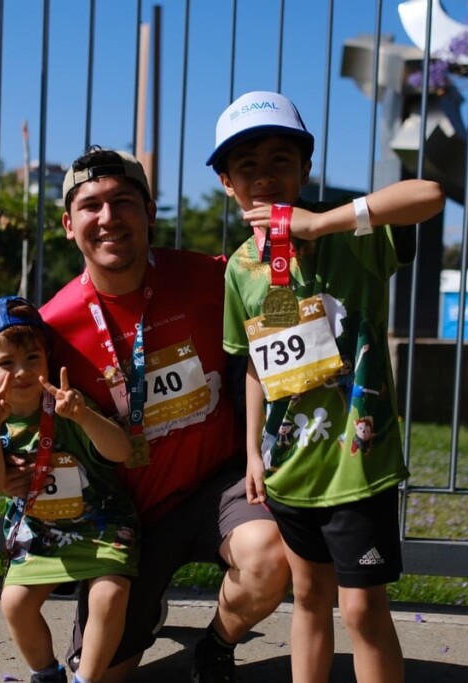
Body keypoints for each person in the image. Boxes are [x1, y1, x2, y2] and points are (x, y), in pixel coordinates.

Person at [34, 147, 290, 682]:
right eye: (91, 206)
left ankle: (217, 644)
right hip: (130, 518)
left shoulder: (210, 278)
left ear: (149, 212)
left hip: (216, 488)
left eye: (124, 202)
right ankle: (144, 607)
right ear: (67, 224)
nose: (108, 219)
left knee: (269, 560)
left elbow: (285, 296)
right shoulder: (52, 329)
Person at [214, 90, 444, 683]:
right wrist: (251, 455)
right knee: (310, 599)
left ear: (305, 169)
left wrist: (325, 220)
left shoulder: (354, 236)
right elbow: (254, 366)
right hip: (290, 466)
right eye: (248, 167)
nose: (265, 177)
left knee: (363, 607)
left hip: (357, 463)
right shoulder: (240, 269)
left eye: (279, 161)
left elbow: (430, 196)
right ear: (227, 184)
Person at [0, 296, 139, 683]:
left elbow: (121, 451)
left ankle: (85, 680)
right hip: (39, 531)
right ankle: (46, 674)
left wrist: (83, 416)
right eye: (6, 363)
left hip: (101, 523)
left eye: (32, 358)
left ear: (48, 360)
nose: (22, 372)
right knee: (15, 603)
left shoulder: (67, 403)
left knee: (109, 594)